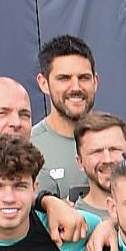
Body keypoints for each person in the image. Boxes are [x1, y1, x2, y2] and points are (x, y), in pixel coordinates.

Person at [29, 34, 101, 200]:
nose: (75, 87)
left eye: (84, 78)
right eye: (64, 78)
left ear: (95, 82)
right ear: (43, 83)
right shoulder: (28, 148)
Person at [68, 114, 126, 225]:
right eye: (96, 152)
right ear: (80, 161)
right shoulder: (70, 219)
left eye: (114, 149)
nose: (107, 159)